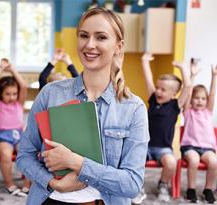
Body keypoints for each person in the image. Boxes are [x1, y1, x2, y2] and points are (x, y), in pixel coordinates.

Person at [17, 7, 149, 205]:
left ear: (118, 46)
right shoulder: (50, 93)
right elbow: (24, 156)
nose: (90, 44)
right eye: (83, 36)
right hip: (48, 199)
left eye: (101, 37)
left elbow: (132, 183)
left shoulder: (133, 108)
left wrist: (77, 163)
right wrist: (54, 183)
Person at [132, 53, 191, 203]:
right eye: (158, 88)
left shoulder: (175, 106)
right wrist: (145, 61)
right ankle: (137, 186)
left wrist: (184, 69)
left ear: (173, 94)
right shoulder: (153, 99)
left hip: (163, 148)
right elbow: (148, 80)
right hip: (145, 143)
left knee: (171, 163)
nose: (158, 91)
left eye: (163, 90)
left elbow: (188, 86)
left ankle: (163, 184)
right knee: (133, 159)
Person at [0, 58, 30, 196]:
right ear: (1, 93)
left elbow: (23, 86)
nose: (12, 97)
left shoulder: (18, 104)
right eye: (8, 94)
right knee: (6, 155)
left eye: (14, 94)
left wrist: (12, 69)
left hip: (19, 134)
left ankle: (27, 185)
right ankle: (9, 184)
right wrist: (1, 68)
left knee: (28, 153)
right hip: (3, 137)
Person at [180, 63, 217, 203]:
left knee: (214, 162)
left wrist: (214, 76)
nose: (200, 101)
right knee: (194, 161)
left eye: (203, 98)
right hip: (190, 147)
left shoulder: (208, 112)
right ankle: (191, 189)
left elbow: (212, 93)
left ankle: (208, 189)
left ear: (207, 101)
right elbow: (188, 92)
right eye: (197, 98)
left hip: (207, 148)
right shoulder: (188, 112)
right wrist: (192, 75)